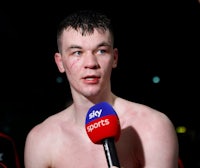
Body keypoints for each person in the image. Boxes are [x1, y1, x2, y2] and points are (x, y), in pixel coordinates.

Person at [24, 9, 179, 168]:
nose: (90, 63)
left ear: (115, 58)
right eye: (77, 52)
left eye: (101, 51)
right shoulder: (41, 140)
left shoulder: (152, 127)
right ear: (60, 62)